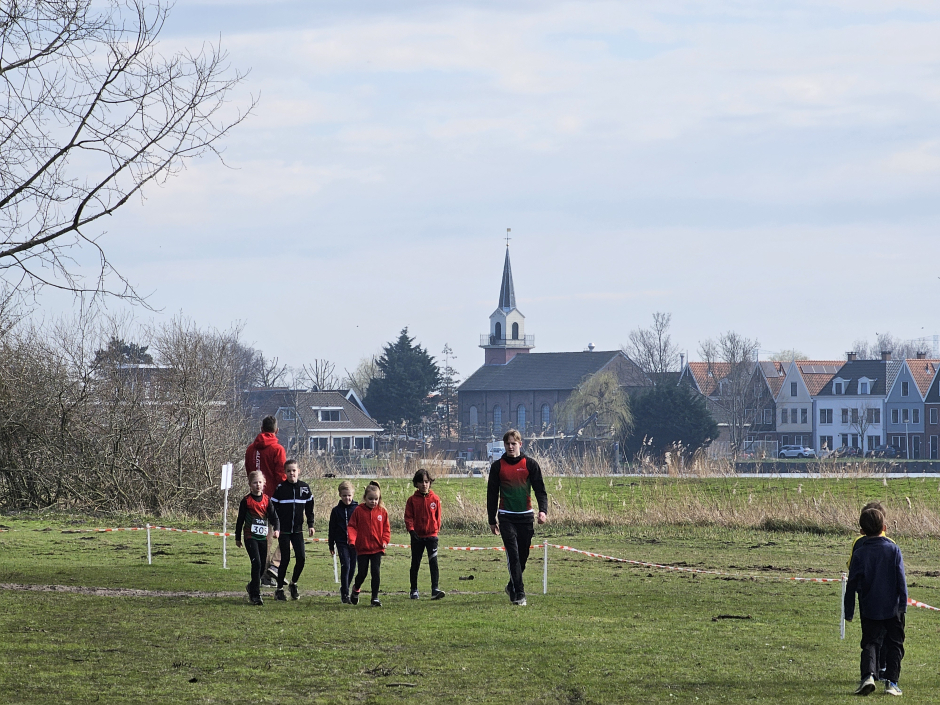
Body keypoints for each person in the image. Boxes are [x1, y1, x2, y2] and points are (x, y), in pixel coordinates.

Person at [844, 505, 907, 697]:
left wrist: (849, 610)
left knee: (870, 643)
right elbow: (901, 579)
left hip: (870, 606)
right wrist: (903, 604)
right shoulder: (894, 549)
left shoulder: (860, 553)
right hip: (893, 607)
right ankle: (892, 682)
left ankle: (868, 676)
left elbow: (852, 583)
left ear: (862, 531)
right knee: (895, 644)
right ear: (884, 528)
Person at [487, 429, 548, 607]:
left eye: (513, 443)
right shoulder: (497, 467)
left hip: (526, 517)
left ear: (520, 444)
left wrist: (543, 511)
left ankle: (511, 586)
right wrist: (492, 519)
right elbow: (492, 495)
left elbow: (540, 490)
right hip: (506, 517)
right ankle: (520, 594)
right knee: (513, 555)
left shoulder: (530, 464)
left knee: (523, 557)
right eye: (507, 444)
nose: (510, 447)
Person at [847, 501, 891, 682]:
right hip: (887, 596)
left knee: (869, 632)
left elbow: (851, 566)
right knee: (886, 633)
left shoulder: (858, 543)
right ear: (883, 524)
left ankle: (870, 671)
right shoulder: (891, 544)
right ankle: (882, 666)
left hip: (865, 594)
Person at [245, 415, 287, 586]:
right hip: (274, 498)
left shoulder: (250, 449)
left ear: (261, 429)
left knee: (264, 537)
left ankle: (264, 575)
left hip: (256, 498)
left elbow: (250, 472)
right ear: (276, 430)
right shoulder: (278, 449)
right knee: (290, 532)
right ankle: (275, 565)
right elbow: (281, 475)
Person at [269, 459, 314, 601]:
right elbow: (273, 509)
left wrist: (311, 525)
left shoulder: (304, 488)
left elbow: (309, 508)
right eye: (288, 471)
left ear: (298, 471)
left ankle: (293, 583)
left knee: (301, 558)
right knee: (285, 559)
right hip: (284, 531)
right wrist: (276, 526)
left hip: (298, 531)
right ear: (285, 473)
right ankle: (279, 589)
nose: (291, 473)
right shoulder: (281, 488)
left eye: (294, 470)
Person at [234, 471, 280, 605]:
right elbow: (240, 520)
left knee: (262, 567)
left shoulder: (267, 500)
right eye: (255, 482)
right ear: (250, 485)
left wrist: (277, 529)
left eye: (260, 482)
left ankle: (252, 586)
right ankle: (255, 595)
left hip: (263, 538)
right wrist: (238, 537)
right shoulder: (246, 501)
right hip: (250, 536)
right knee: (257, 563)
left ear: (264, 483)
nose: (258, 485)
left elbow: (274, 517)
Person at [347, 481, 390, 607]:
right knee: (362, 573)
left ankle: (374, 597)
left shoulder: (382, 512)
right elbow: (352, 527)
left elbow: (386, 529)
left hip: (377, 548)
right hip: (363, 548)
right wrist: (352, 541)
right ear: (365, 498)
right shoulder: (358, 511)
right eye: (370, 499)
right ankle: (356, 589)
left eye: (376, 499)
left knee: (375, 572)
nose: (373, 502)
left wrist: (384, 541)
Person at [405, 468, 445, 600]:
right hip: (417, 537)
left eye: (426, 481)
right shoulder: (412, 500)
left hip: (431, 536)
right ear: (416, 483)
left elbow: (438, 517)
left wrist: (435, 531)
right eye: (421, 482)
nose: (424, 484)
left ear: (430, 483)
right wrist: (411, 530)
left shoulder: (435, 499)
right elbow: (408, 517)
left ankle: (435, 589)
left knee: (433, 563)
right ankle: (414, 590)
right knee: (415, 563)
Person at [328, 480, 358, 603]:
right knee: (345, 565)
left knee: (352, 567)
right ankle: (345, 594)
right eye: (344, 495)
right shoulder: (336, 511)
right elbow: (332, 528)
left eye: (349, 495)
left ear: (353, 494)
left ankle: (345, 587)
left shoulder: (357, 509)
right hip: (341, 542)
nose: (347, 498)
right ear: (340, 495)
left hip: (355, 543)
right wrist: (331, 544)